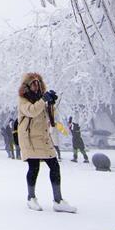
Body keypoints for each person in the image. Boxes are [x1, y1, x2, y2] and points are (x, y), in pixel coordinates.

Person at [18, 72, 76, 213]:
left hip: (43, 138)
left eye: (38, 83)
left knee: (54, 166)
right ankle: (31, 198)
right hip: (30, 138)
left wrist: (51, 103)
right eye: (33, 84)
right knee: (34, 168)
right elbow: (31, 111)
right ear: (27, 85)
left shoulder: (40, 99)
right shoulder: (23, 100)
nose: (36, 86)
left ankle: (58, 200)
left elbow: (50, 117)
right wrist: (43, 100)